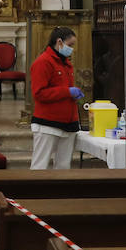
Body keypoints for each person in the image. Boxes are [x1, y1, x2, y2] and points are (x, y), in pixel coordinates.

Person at [30, 27, 82, 170]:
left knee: (64, 167)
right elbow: (39, 93)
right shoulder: (43, 62)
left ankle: (59, 193)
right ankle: (34, 193)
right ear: (59, 42)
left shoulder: (65, 63)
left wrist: (73, 95)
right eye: (70, 45)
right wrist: (67, 92)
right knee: (39, 166)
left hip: (68, 122)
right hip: (47, 123)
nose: (72, 49)